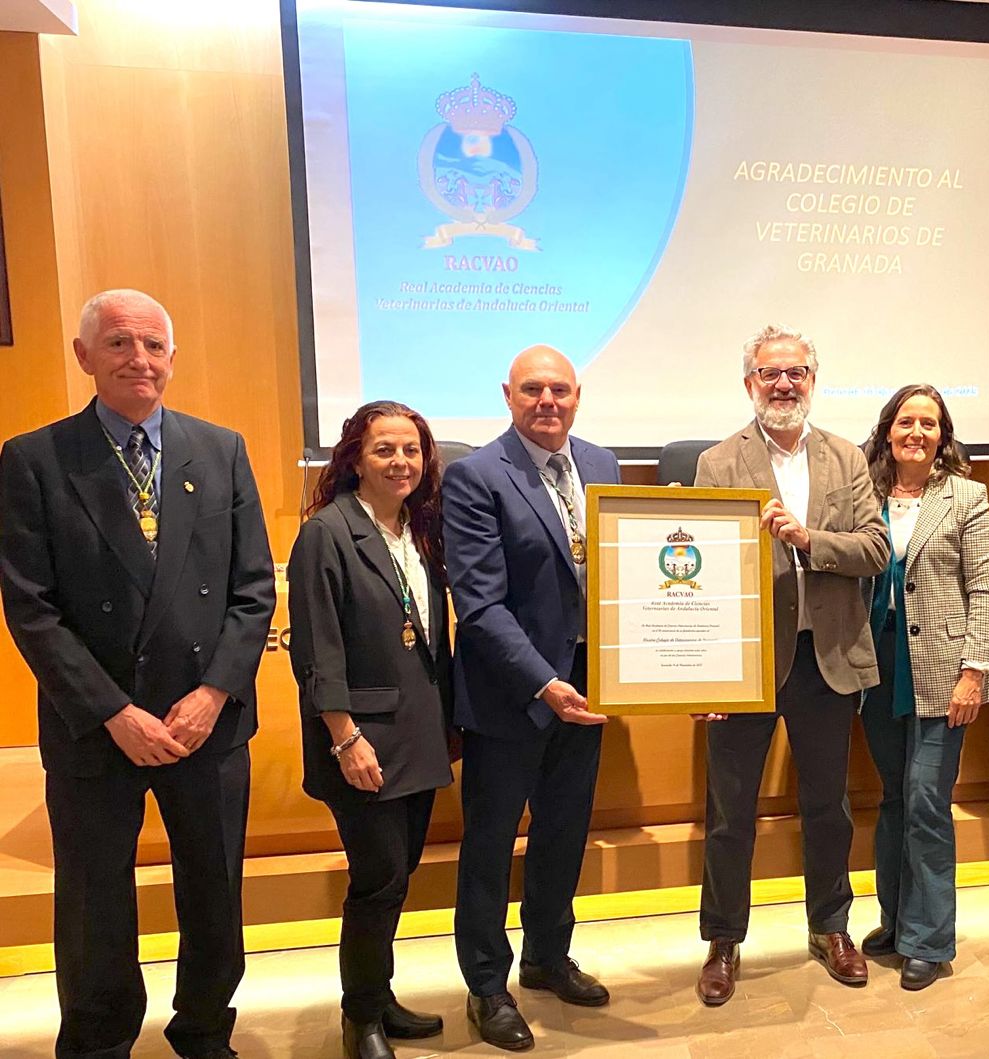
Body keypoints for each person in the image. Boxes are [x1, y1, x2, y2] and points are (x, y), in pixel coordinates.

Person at [0, 289, 275, 1059]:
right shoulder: (36, 458)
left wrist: (213, 694)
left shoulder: (220, 450)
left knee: (214, 887)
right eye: (120, 343)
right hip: (97, 726)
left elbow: (253, 588)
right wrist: (113, 711)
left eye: (154, 345)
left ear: (172, 358)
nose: (139, 359)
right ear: (84, 356)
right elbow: (31, 606)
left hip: (205, 722)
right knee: (94, 899)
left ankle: (205, 1028)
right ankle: (97, 1040)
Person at [692, 324, 889, 1005]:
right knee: (730, 813)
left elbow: (876, 550)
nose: (783, 384)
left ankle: (830, 927)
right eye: (770, 373)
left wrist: (810, 540)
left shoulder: (847, 457)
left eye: (795, 372)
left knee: (828, 806)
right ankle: (723, 940)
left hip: (826, 658)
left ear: (812, 379)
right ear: (749, 382)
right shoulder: (718, 462)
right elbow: (703, 576)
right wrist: (704, 673)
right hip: (744, 665)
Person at [443, 346, 619, 1051]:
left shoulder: (602, 464)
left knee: (563, 830)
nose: (548, 401)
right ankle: (487, 985)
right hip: (511, 694)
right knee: (490, 843)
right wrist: (543, 681)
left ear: (578, 395)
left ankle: (547, 956)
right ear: (508, 395)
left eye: (560, 390)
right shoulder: (476, 475)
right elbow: (478, 604)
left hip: (590, 686)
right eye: (532, 389)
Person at [288, 401, 455, 1059]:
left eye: (411, 449)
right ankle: (359, 1019)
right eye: (384, 449)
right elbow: (317, 651)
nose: (400, 461)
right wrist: (344, 737)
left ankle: (379, 998)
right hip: (360, 742)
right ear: (355, 457)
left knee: (398, 875)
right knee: (377, 878)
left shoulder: (419, 529)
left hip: (416, 735)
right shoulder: (327, 533)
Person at [858, 384, 989, 990]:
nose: (917, 432)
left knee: (926, 800)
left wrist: (975, 671)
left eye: (929, 424)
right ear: (888, 430)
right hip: (876, 665)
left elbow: (986, 587)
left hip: (944, 670)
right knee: (894, 797)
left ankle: (929, 940)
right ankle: (895, 920)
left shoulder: (965, 496)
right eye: (906, 422)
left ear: (943, 436)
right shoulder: (862, 492)